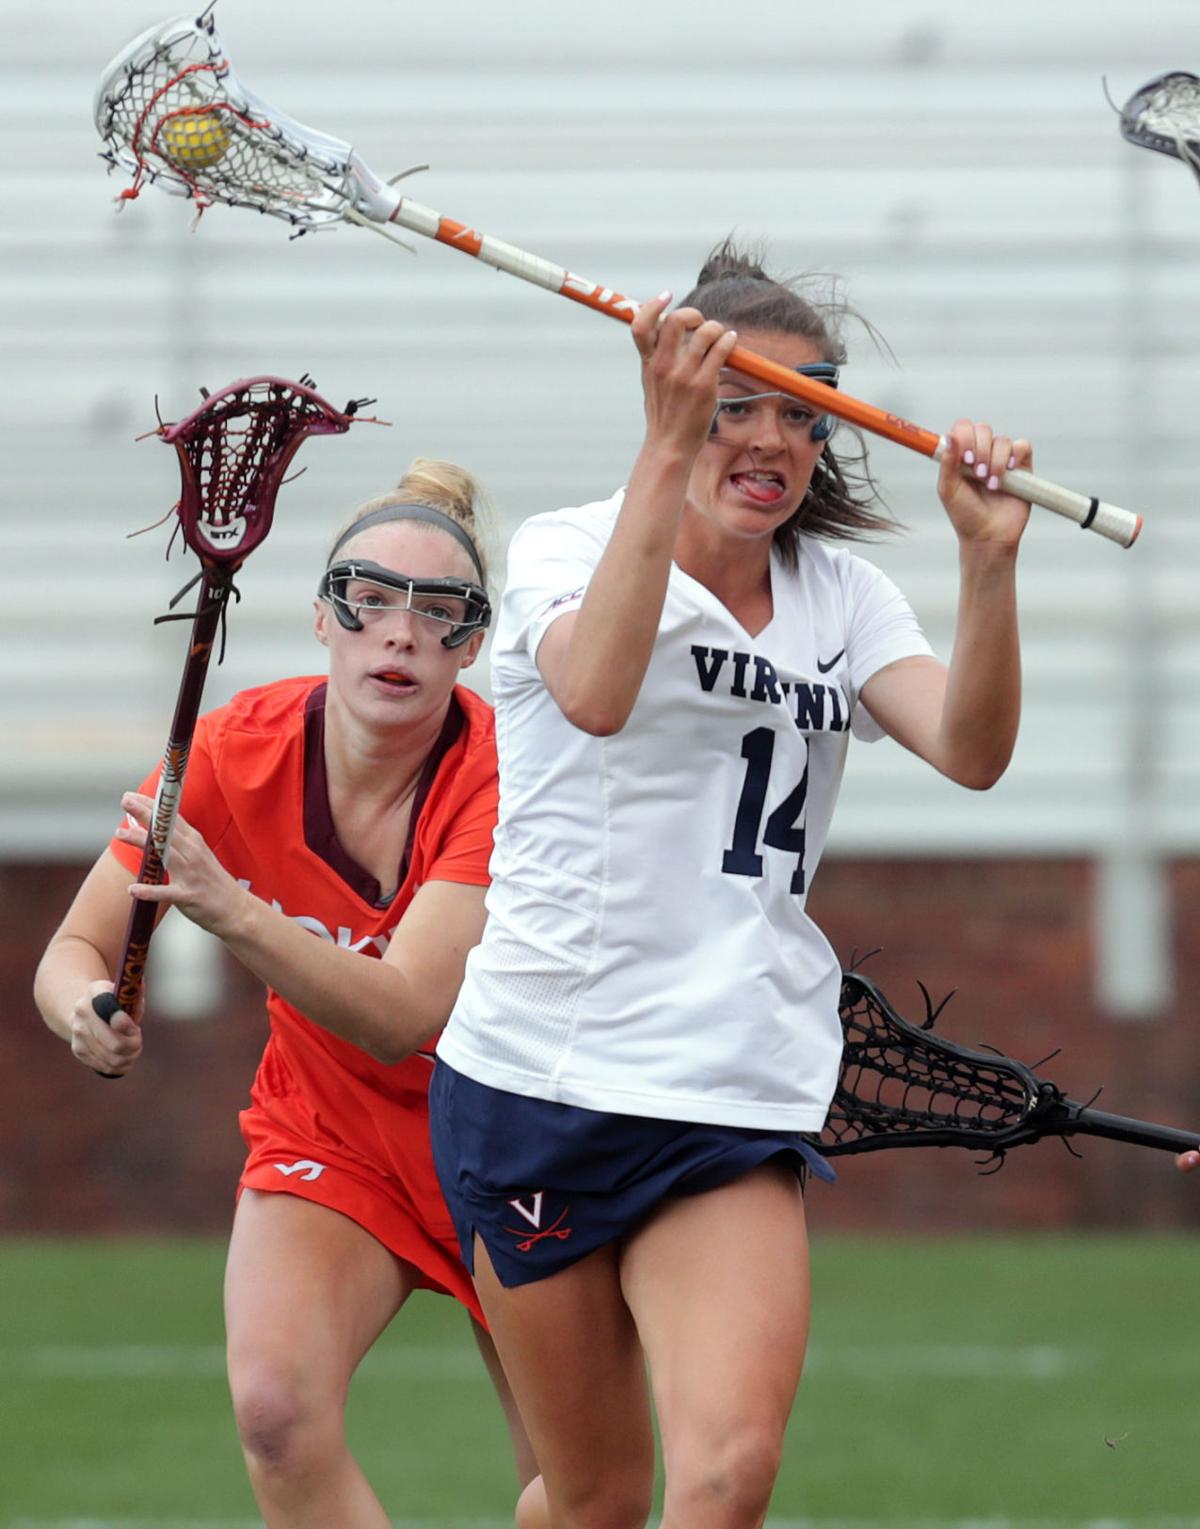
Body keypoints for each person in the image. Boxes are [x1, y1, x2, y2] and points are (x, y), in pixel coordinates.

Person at [428, 243, 1034, 1529]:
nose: (769, 440)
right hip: (540, 1071)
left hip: (731, 1078)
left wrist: (988, 563)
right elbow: (592, 692)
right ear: (675, 402)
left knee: (726, 1478)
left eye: (801, 414)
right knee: (590, 1500)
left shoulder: (844, 595)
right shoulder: (563, 546)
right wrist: (661, 452)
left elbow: (972, 752)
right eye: (735, 405)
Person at [34, 461, 547, 1529]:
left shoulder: (511, 778)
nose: (399, 632)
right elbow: (76, 946)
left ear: (472, 644)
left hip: (511, 1133)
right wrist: (86, 1011)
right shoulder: (229, 750)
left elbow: (407, 1009)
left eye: (440, 610)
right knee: (275, 1413)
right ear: (322, 617)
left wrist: (233, 911)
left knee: (577, 1490)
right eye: (369, 597)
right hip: (334, 1130)